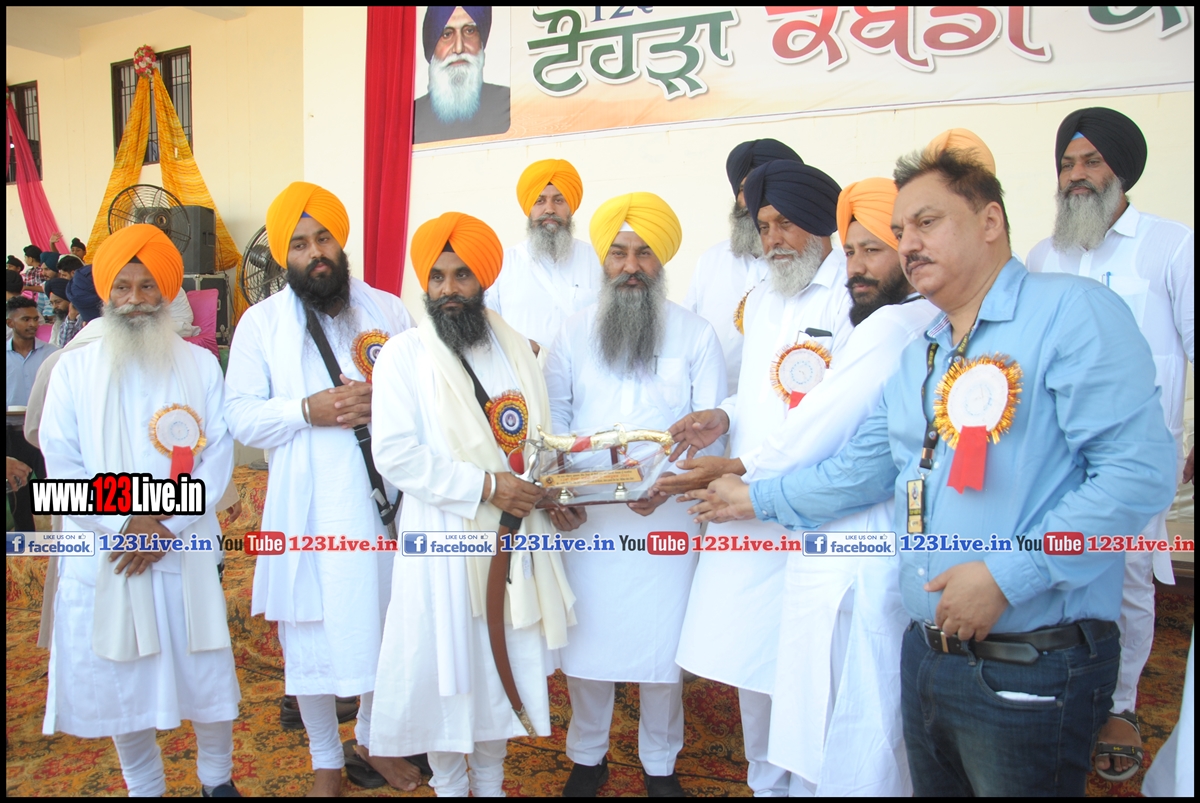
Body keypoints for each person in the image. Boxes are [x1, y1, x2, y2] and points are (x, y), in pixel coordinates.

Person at [696, 145, 1177, 796]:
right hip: (927, 653)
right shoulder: (923, 351)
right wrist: (751, 498)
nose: (910, 244)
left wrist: (1009, 576)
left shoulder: (1070, 312)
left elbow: (1137, 474)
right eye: (901, 230)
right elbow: (861, 470)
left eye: (927, 222)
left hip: (1031, 657)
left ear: (990, 221)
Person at [705, 176, 933, 797]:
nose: (856, 267)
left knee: (839, 722)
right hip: (867, 544)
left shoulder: (892, 325)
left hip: (850, 551)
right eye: (852, 251)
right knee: (863, 720)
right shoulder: (922, 317)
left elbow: (824, 426)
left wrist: (743, 478)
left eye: (873, 250)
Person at [660, 158, 851, 796]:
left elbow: (833, 417)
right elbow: (759, 395)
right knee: (750, 658)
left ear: (821, 225)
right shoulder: (765, 297)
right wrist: (723, 416)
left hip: (812, 508)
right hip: (746, 509)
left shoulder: (852, 298)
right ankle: (764, 784)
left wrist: (740, 466)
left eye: (786, 224)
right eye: (765, 226)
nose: (773, 240)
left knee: (812, 664)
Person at [368, 211, 575, 797]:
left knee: (495, 669)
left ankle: (490, 784)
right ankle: (450, 786)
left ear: (483, 280)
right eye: (437, 277)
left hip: (513, 535)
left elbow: (535, 441)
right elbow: (395, 455)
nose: (449, 289)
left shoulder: (515, 351)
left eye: (462, 275)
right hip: (442, 537)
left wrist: (549, 487)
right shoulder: (404, 355)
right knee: (446, 672)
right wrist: (486, 487)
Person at [225, 182, 418, 797]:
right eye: (301, 244)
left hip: (382, 503)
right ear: (285, 256)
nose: (315, 253)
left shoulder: (389, 311)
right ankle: (325, 762)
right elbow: (239, 417)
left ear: (341, 241)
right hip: (306, 508)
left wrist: (384, 405)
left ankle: (373, 739)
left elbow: (426, 396)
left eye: (324, 238)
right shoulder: (260, 324)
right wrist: (305, 410)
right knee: (310, 640)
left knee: (384, 623)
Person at [37, 223, 241, 797]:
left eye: (147, 286)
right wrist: (128, 522)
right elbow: (61, 462)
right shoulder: (72, 369)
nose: (134, 299)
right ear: (106, 292)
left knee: (205, 674)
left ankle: (217, 781)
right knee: (121, 680)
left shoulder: (200, 366)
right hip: (113, 549)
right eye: (122, 287)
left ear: (167, 291)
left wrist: (164, 524)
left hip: (181, 546)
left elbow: (217, 458)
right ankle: (143, 786)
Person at [1026, 106, 1194, 782]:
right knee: (1056, 569)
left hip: (1134, 453)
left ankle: (1120, 706)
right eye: (1068, 163)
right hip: (1054, 454)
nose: (1077, 174)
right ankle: (1062, 689)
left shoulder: (1171, 246)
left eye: (1091, 161)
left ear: (1120, 168)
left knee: (1127, 577)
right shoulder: (1044, 255)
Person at [544, 193, 727, 797]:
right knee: (588, 645)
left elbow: (713, 425)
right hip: (589, 519)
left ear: (662, 259)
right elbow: (554, 419)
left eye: (644, 253)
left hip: (667, 518)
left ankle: (660, 764)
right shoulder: (571, 333)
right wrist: (561, 490)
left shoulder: (696, 333)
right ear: (602, 260)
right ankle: (587, 756)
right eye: (618, 253)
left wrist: (671, 484)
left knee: (661, 647)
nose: (630, 266)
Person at [683, 139, 802, 393]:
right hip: (713, 408)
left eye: (765, 188)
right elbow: (687, 338)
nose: (753, 199)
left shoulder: (807, 264)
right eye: (744, 189)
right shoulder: (711, 261)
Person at [485, 158, 601, 347]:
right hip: (524, 367)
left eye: (558, 200)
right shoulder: (501, 265)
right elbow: (488, 332)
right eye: (540, 201)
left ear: (570, 208)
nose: (549, 209)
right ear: (529, 209)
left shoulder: (596, 261)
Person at [414, 6, 510, 144]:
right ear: (432, 48)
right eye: (447, 34)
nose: (458, 48)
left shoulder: (509, 103)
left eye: (469, 31)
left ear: (481, 43)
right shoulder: (411, 117)